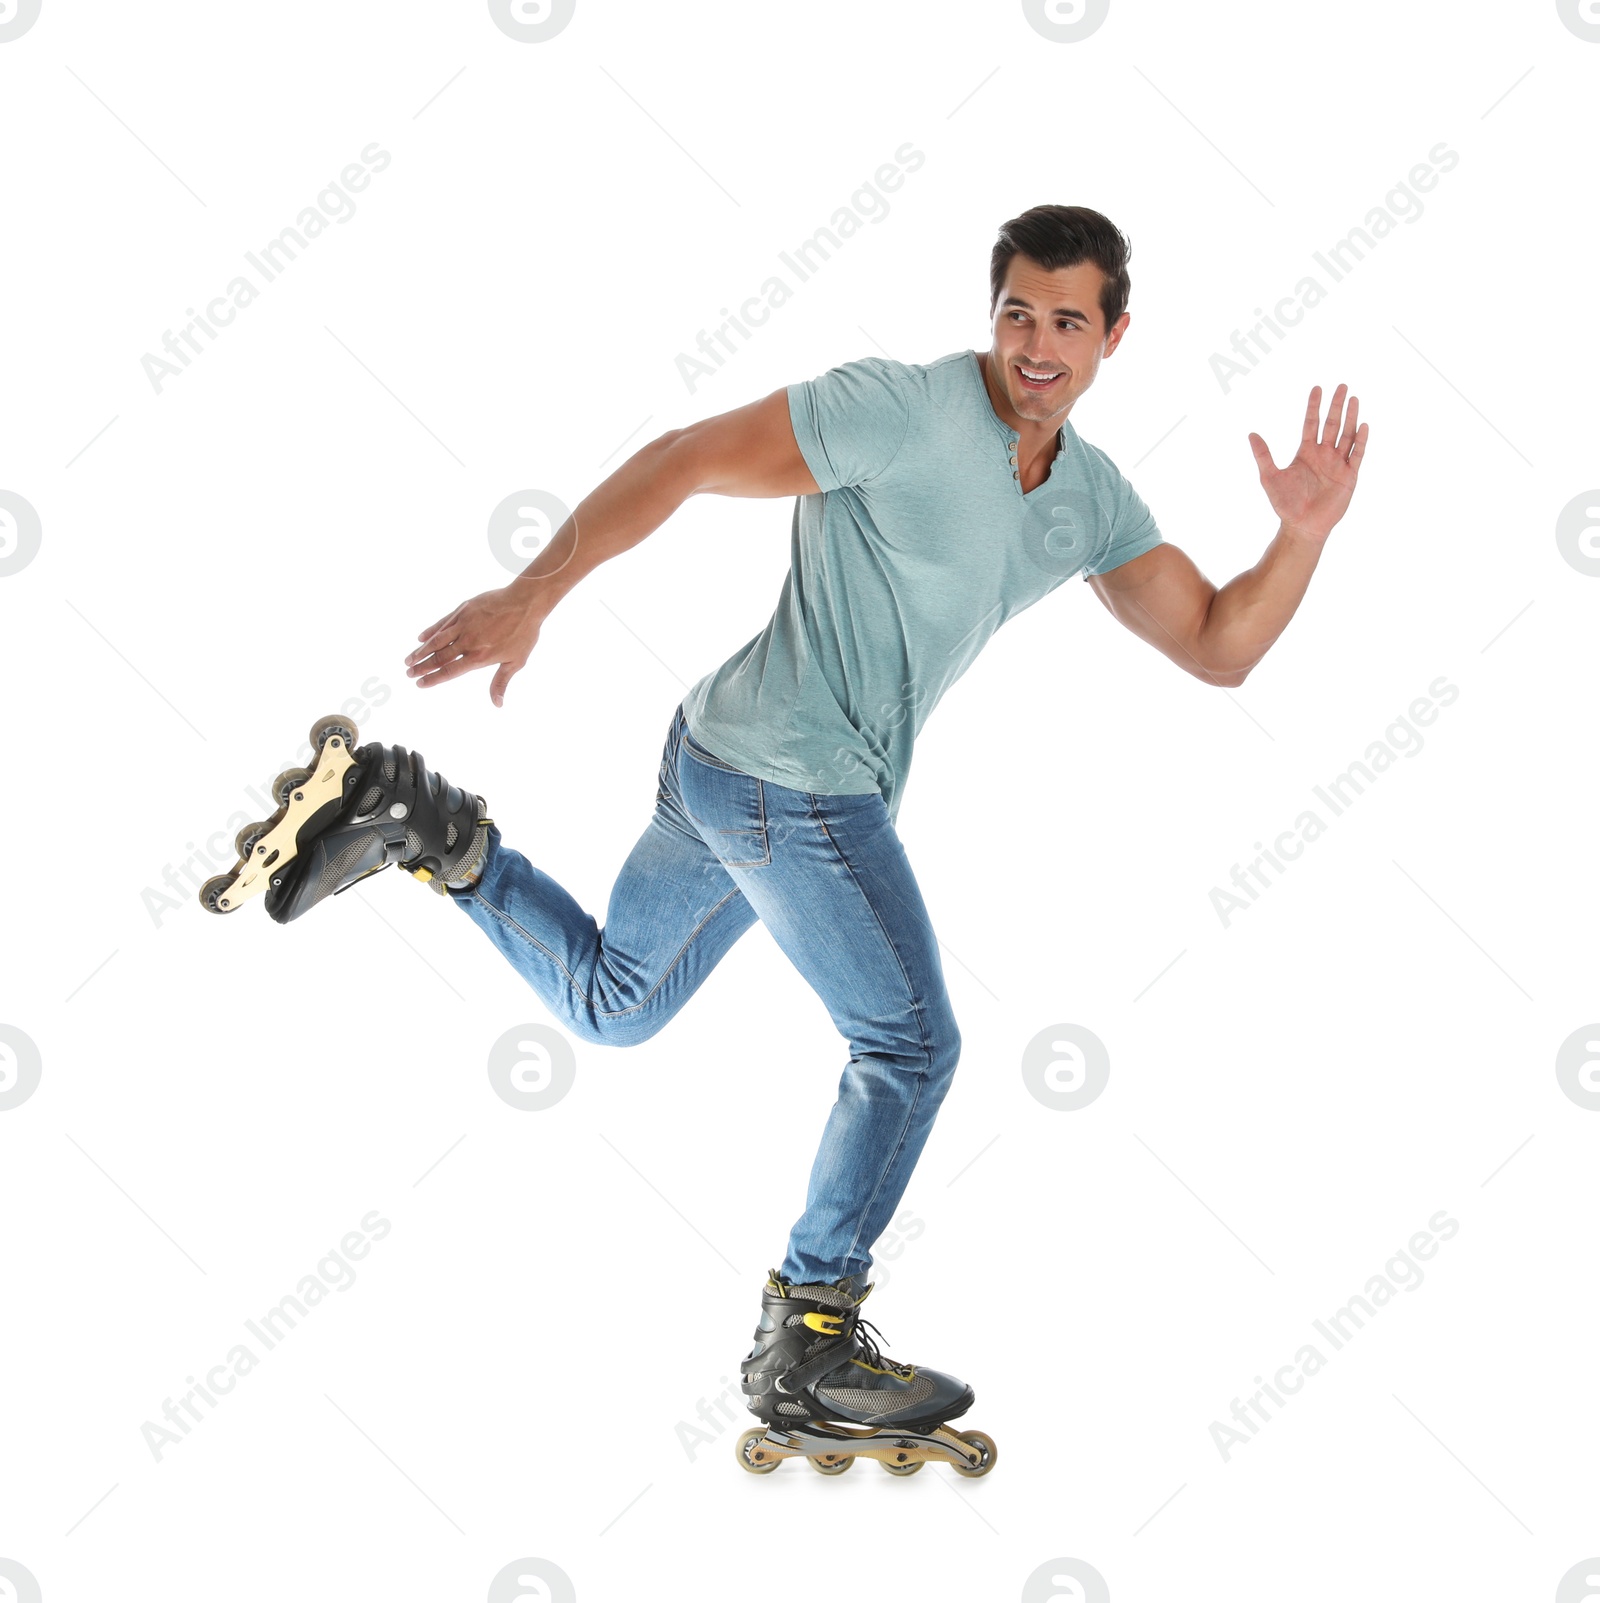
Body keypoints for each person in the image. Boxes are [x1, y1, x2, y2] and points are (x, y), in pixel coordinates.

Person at [201, 204, 1368, 1474]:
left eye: (1067, 323)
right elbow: (688, 455)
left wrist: (1299, 535)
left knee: (613, 1005)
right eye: (1017, 313)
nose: (1037, 344)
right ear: (993, 316)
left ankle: (415, 821)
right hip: (788, 785)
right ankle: (808, 1331)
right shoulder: (900, 411)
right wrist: (535, 591)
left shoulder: (1084, 500)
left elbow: (1216, 644)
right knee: (912, 1042)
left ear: (1112, 338)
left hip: (719, 757)